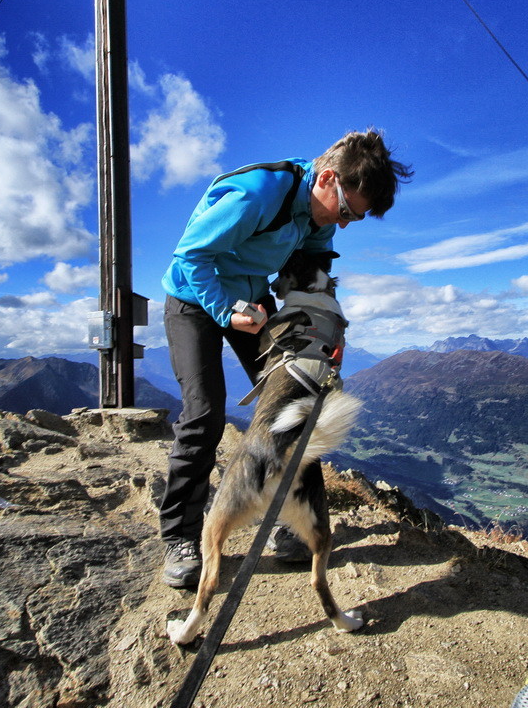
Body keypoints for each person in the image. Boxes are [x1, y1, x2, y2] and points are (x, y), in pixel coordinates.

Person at [158, 128, 413, 588]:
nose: (345, 224)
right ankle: (180, 536)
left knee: (297, 402)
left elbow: (312, 268)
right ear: (328, 179)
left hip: (253, 302)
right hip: (195, 303)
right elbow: (191, 255)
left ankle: (293, 522)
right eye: (348, 212)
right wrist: (225, 310)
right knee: (204, 413)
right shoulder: (256, 195)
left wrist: (322, 329)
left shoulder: (320, 216)